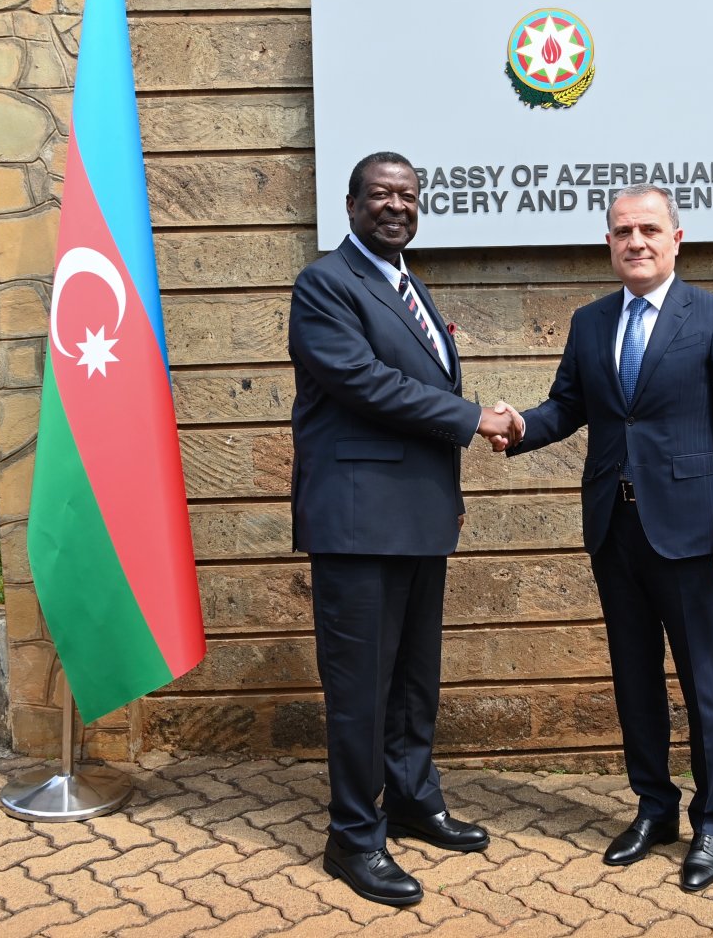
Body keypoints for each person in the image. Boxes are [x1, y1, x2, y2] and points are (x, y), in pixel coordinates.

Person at [502, 184, 713, 893]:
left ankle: (712, 823)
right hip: (614, 530)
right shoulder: (591, 322)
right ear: (609, 243)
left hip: (693, 535)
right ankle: (655, 808)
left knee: (705, 683)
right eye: (623, 231)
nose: (636, 242)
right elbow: (567, 406)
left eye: (649, 229)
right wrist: (520, 426)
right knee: (634, 678)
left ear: (676, 239)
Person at [288, 151, 523, 908]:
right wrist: (474, 417)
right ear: (350, 204)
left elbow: (420, 385)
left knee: (414, 680)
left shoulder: (407, 284)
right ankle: (354, 837)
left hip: (418, 519)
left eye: (408, 195)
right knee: (361, 688)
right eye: (381, 194)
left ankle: (414, 800)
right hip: (357, 522)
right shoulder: (325, 284)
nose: (396, 205)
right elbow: (365, 383)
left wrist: (446, 493)